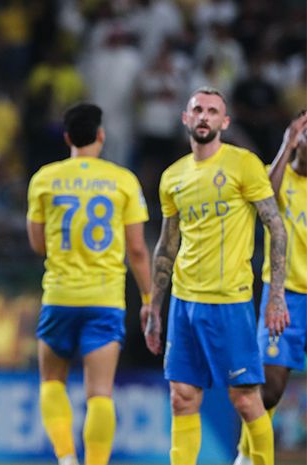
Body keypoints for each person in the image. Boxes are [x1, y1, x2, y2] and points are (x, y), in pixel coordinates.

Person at [142, 87, 289, 465]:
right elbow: (167, 244)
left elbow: (276, 227)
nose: (204, 116)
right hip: (183, 304)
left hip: (229, 302)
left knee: (245, 399)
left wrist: (275, 296)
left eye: (212, 111)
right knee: (182, 398)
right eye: (198, 110)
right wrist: (155, 307)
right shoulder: (172, 176)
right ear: (185, 119)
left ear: (224, 122)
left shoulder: (244, 164)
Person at [27, 103, 152, 465]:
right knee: (100, 393)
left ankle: (66, 458)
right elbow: (138, 250)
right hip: (106, 298)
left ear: (67, 138)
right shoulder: (122, 180)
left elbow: (38, 245)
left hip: (60, 296)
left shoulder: (45, 179)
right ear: (101, 135)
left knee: (52, 382)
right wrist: (148, 297)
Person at [233, 112, 307, 465]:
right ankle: (248, 457)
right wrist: (285, 147)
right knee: (272, 388)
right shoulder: (278, 175)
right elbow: (264, 199)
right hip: (285, 296)